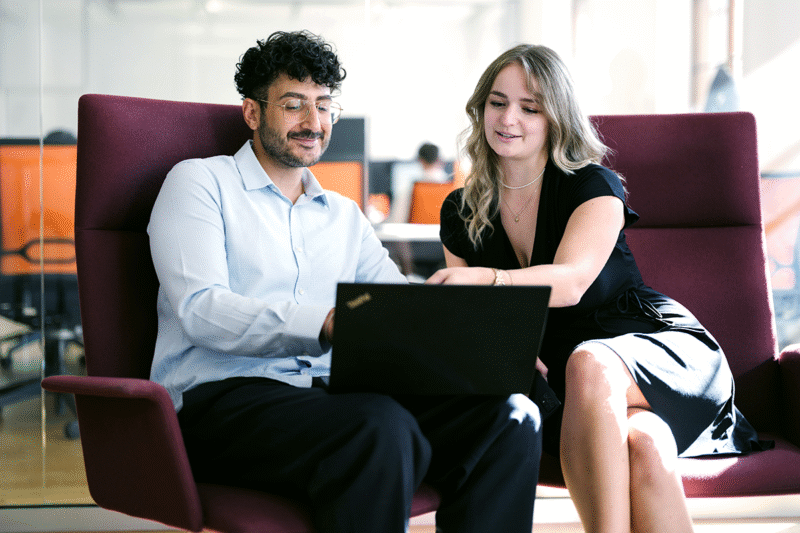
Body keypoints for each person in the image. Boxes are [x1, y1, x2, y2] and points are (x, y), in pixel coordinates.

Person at [147, 30, 542, 533]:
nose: (313, 123)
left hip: (330, 400)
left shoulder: (342, 214)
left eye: (324, 106)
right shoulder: (200, 183)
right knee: (379, 426)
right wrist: (329, 324)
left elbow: (396, 303)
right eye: (293, 106)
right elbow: (201, 308)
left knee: (510, 417)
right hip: (221, 404)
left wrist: (480, 342)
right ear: (252, 112)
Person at [427, 44, 769, 533]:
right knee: (646, 446)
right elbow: (477, 322)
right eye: (497, 102)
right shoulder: (460, 210)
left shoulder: (594, 186)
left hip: (657, 351)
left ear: (556, 118)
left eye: (531, 107)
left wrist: (486, 278)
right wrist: (509, 351)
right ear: (480, 108)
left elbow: (571, 282)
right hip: (571, 386)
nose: (509, 118)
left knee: (590, 360)